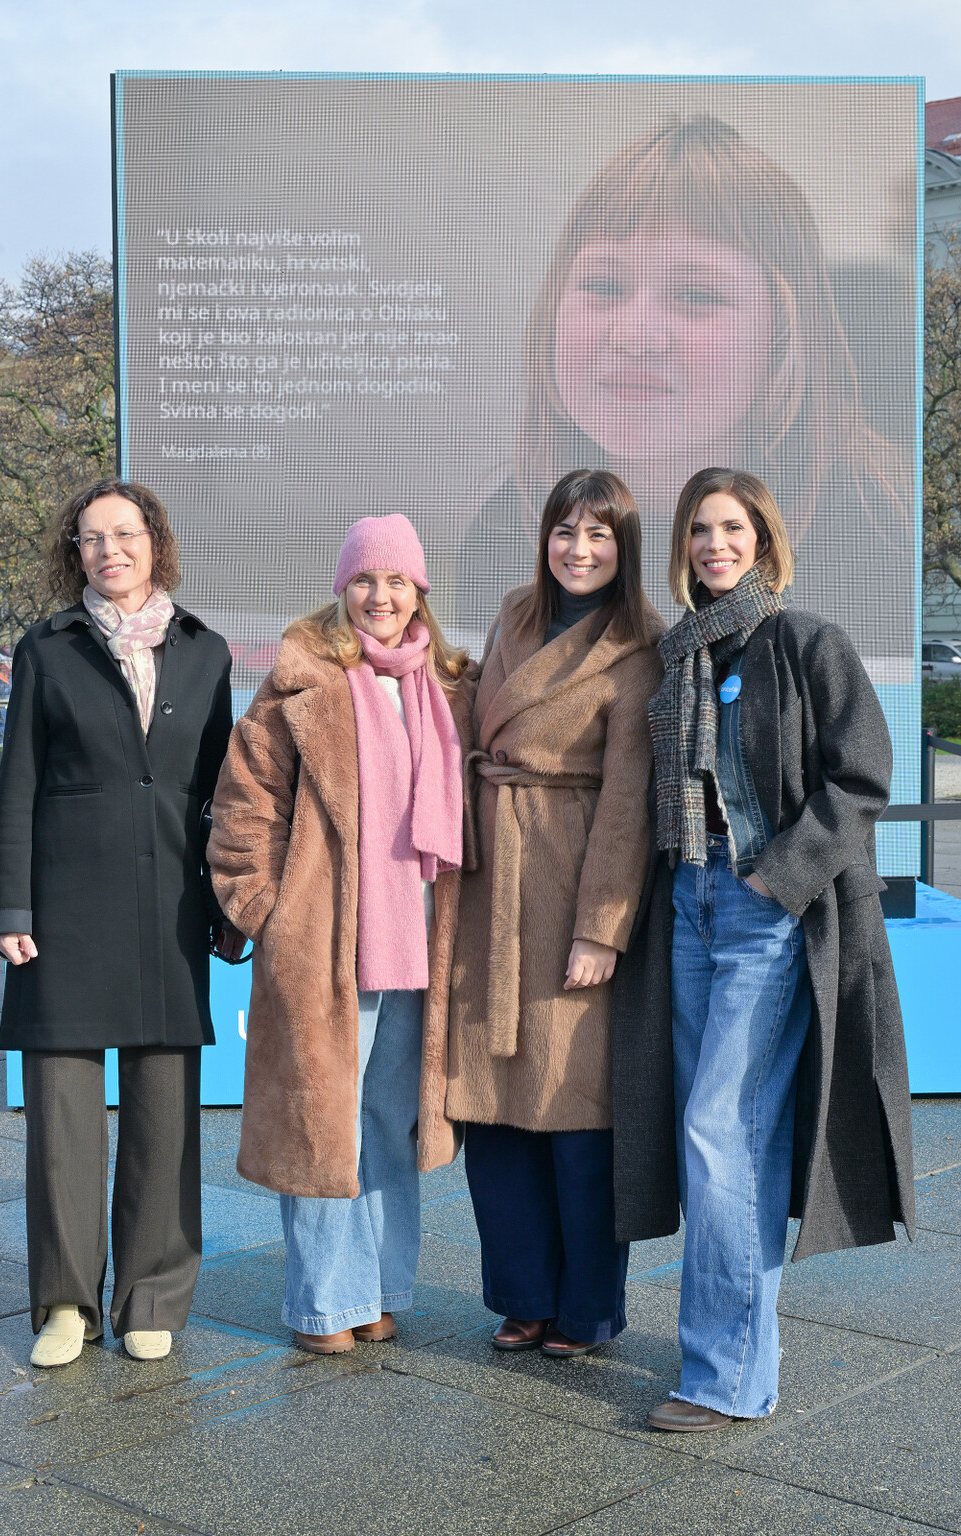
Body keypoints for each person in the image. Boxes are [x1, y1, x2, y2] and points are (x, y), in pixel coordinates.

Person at [611, 466, 915, 1431]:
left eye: (732, 527)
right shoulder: (680, 655)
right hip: (690, 902)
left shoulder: (805, 641)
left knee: (719, 1133)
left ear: (764, 539)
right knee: (729, 1141)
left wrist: (778, 878)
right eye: (700, 530)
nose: (715, 544)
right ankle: (739, 1351)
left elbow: (861, 776)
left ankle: (726, 1376)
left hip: (765, 913)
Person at [459, 116, 912, 679]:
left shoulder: (871, 534)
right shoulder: (509, 528)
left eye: (697, 294)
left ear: (785, 331)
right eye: (603, 286)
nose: (635, 335)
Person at [0, 478, 240, 1368]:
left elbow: (221, 798)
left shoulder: (205, 652)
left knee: (165, 1110)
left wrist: (226, 907)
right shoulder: (46, 650)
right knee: (62, 1115)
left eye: (124, 534)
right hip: (63, 904)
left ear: (154, 542)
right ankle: (64, 1304)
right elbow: (15, 783)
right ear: (76, 553)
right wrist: (9, 907)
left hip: (171, 899)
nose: (109, 551)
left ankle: (151, 1297)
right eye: (91, 539)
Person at [207, 514, 474, 1354]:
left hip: (425, 939)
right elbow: (244, 806)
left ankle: (380, 1288)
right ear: (342, 587)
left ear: (420, 590)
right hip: (326, 939)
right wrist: (267, 912)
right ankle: (326, 1301)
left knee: (391, 1118)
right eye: (365, 580)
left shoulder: (452, 686)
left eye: (397, 581)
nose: (381, 596)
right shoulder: (298, 682)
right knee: (326, 1120)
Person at [446, 469, 664, 1356]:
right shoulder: (512, 615)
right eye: (565, 532)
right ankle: (521, 1297)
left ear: (626, 547)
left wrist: (600, 930)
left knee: (576, 1113)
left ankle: (586, 1310)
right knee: (494, 1107)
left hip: (571, 873)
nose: (579, 550)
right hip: (488, 874)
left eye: (599, 535)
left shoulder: (643, 644)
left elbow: (629, 801)